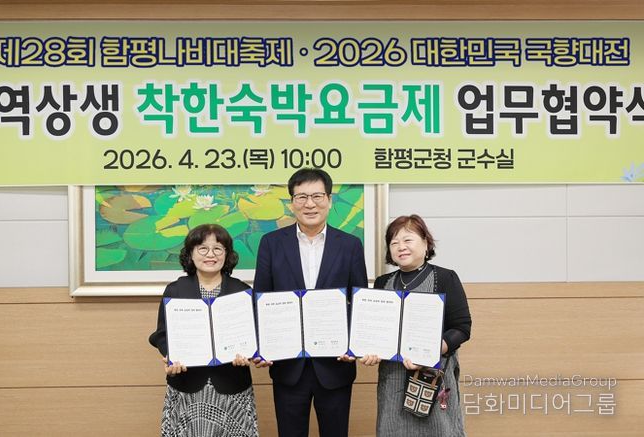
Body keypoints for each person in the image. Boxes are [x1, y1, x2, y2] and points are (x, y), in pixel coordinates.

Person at [253, 168, 368, 437]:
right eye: (302, 197)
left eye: (317, 196)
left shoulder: (350, 245)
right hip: (288, 366)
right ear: (292, 202)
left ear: (329, 199)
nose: (310, 204)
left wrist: (355, 345)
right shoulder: (271, 243)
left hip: (335, 364)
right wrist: (262, 346)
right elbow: (261, 300)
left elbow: (359, 301)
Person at [360, 214, 472, 437]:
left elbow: (462, 328)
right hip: (393, 379)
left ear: (426, 242)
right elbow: (376, 330)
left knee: (440, 431)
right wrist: (370, 350)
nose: (400, 247)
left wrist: (430, 351)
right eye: (394, 242)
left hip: (432, 377)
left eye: (407, 240)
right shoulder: (382, 283)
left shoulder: (445, 277)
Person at [149, 224, 258, 437]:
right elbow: (162, 334)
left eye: (218, 248)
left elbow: (254, 334)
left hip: (232, 384)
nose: (210, 254)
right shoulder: (175, 290)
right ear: (191, 253)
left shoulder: (242, 291)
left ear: (227, 254)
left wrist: (249, 353)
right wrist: (171, 355)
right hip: (187, 385)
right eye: (202, 248)